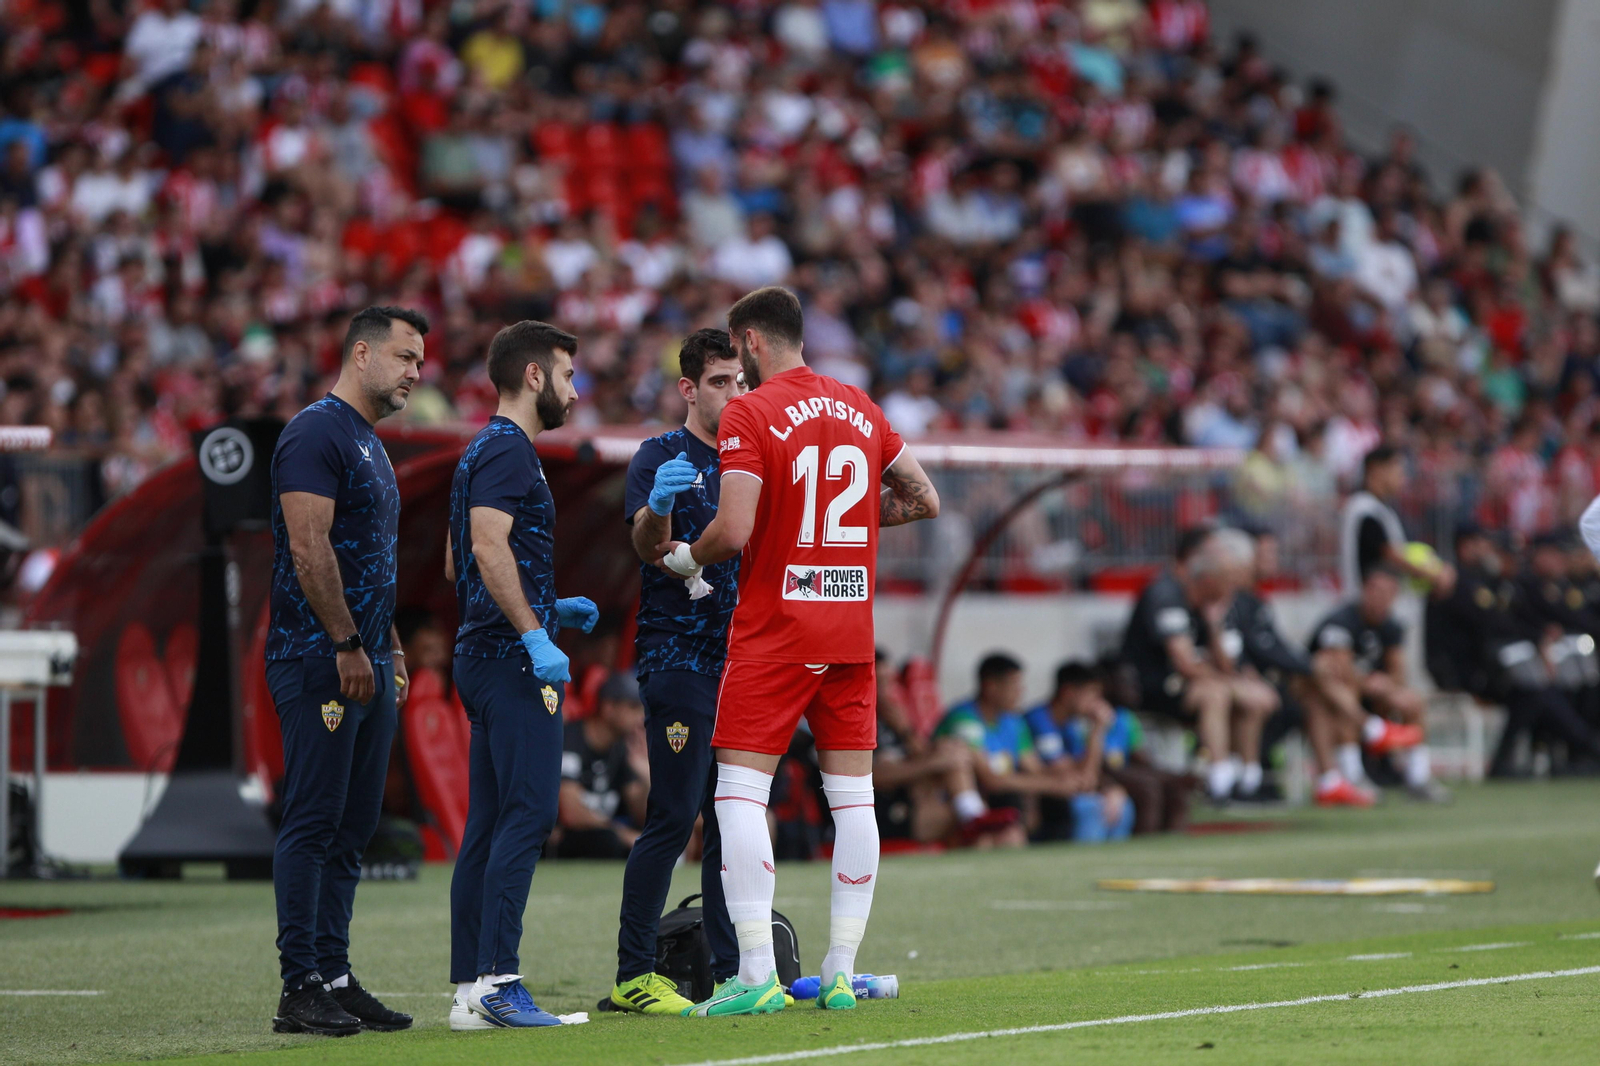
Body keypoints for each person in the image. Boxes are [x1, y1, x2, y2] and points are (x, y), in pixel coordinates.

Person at [661, 286, 940, 1015]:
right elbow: (923, 499)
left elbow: (732, 532)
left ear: (750, 340)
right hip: (849, 630)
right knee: (854, 801)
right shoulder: (860, 406)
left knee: (739, 794)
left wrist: (686, 558)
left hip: (777, 632)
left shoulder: (750, 412)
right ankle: (841, 970)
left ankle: (756, 972)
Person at [266, 305, 427, 1036]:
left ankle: (333, 973)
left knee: (354, 823)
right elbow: (310, 548)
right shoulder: (315, 432)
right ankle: (298, 984)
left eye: (419, 361)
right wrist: (346, 643)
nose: (415, 373)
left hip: (363, 656)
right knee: (314, 818)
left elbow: (370, 564)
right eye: (404, 357)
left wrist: (389, 643)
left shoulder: (368, 441)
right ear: (361, 354)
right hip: (319, 657)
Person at [445, 320, 595, 1030]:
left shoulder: (479, 450)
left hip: (482, 654)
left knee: (487, 825)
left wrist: (547, 604)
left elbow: (459, 565)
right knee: (530, 812)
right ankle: (499, 982)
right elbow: (485, 546)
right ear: (534, 376)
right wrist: (535, 632)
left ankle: (468, 992)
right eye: (567, 374)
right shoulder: (510, 449)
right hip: (510, 661)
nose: (575, 390)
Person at [610, 328, 745, 1014]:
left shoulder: (754, 460)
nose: (735, 394)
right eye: (720, 382)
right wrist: (659, 507)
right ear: (689, 388)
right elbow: (646, 546)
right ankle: (634, 974)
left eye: (742, 381)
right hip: (679, 655)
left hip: (742, 660)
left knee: (733, 820)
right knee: (674, 814)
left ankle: (732, 973)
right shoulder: (659, 455)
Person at [1119, 527, 1278, 804]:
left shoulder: (1213, 606)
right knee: (1216, 694)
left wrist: (1215, 625)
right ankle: (1219, 782)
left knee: (1256, 699)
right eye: (1227, 581)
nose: (1232, 589)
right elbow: (1184, 664)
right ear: (1208, 579)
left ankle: (1248, 780)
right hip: (1151, 686)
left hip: (1193, 685)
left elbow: (1227, 665)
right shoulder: (1166, 595)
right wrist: (1229, 681)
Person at [1429, 522, 1600, 777]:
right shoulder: (1460, 582)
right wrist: (1538, 637)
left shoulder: (1497, 583)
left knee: (1546, 689)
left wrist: (1541, 635)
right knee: (1535, 691)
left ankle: (1551, 754)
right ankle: (1584, 747)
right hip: (1465, 671)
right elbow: (1492, 624)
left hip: (1492, 667)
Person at [1306, 567, 1447, 802]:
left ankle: (1418, 777)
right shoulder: (1340, 622)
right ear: (1365, 590)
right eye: (1377, 590)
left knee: (1412, 701)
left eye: (1388, 593)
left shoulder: (1391, 626)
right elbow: (1339, 672)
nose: (1381, 598)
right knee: (1347, 695)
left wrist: (1386, 684)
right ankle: (1353, 775)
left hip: (1370, 694)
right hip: (1329, 695)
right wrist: (1367, 682)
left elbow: (1398, 673)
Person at [872, 649, 1019, 847]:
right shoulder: (856, 720)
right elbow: (868, 776)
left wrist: (905, 730)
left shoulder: (893, 718)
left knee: (951, 749)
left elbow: (920, 753)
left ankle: (973, 815)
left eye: (890, 682)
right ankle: (973, 815)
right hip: (884, 808)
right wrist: (932, 763)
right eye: (879, 683)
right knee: (994, 835)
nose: (886, 691)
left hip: (916, 797)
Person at [935, 653, 1077, 841]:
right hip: (954, 806)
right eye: (1014, 686)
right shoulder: (964, 719)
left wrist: (1064, 780)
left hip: (1004, 802)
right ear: (991, 687)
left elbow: (1035, 768)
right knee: (1005, 834)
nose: (1020, 692)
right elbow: (990, 779)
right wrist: (1052, 785)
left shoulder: (1014, 722)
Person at [1022, 662, 1135, 843]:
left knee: (1122, 804)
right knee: (1089, 806)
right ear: (1068, 692)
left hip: (1069, 790)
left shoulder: (1072, 725)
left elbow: (1088, 776)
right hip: (1042, 797)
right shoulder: (1039, 720)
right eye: (1092, 693)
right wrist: (1097, 730)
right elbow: (1069, 773)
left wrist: (1110, 788)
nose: (1096, 702)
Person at [1338, 445, 1454, 596]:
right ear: (1376, 470)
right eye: (1398, 470)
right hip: (1363, 602)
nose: (1403, 477)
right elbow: (1390, 554)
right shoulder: (1364, 508)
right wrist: (1435, 574)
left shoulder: (1381, 508)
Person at [556, 673, 650, 858]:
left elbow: (642, 815)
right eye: (633, 707)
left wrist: (646, 775)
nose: (640, 718)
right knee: (609, 842)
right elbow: (570, 812)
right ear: (609, 707)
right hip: (561, 838)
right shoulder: (571, 739)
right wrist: (622, 834)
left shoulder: (622, 748)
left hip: (606, 835)